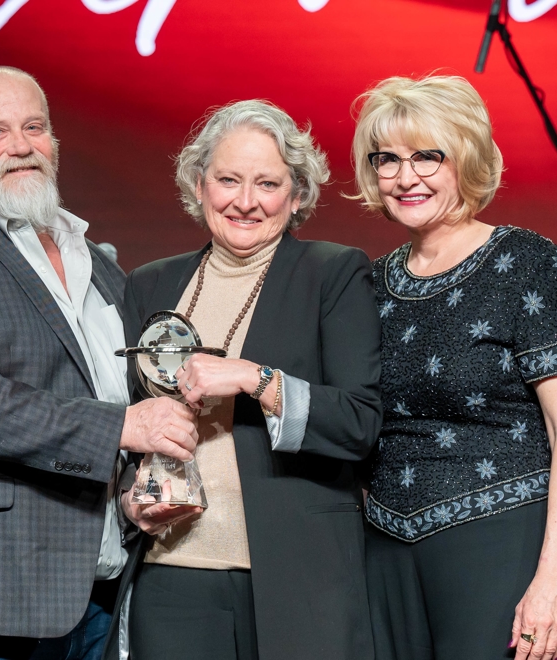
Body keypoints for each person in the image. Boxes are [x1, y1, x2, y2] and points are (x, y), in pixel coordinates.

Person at [0, 66, 199, 660]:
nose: (20, 146)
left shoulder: (96, 261)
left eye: (34, 127)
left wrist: (131, 494)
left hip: (97, 588)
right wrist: (124, 427)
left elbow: (114, 389)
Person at [112, 100, 383, 660]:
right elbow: (124, 420)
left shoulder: (332, 273)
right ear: (199, 183)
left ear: (298, 193)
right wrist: (128, 501)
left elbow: (360, 423)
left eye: (267, 183)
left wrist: (254, 378)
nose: (245, 201)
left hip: (297, 576)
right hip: (171, 575)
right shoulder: (149, 285)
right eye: (228, 180)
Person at [351, 75, 557, 660]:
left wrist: (552, 583)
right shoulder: (369, 284)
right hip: (383, 553)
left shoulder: (527, 263)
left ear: (466, 156)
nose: (405, 177)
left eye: (426, 156)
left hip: (499, 543)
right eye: (386, 160)